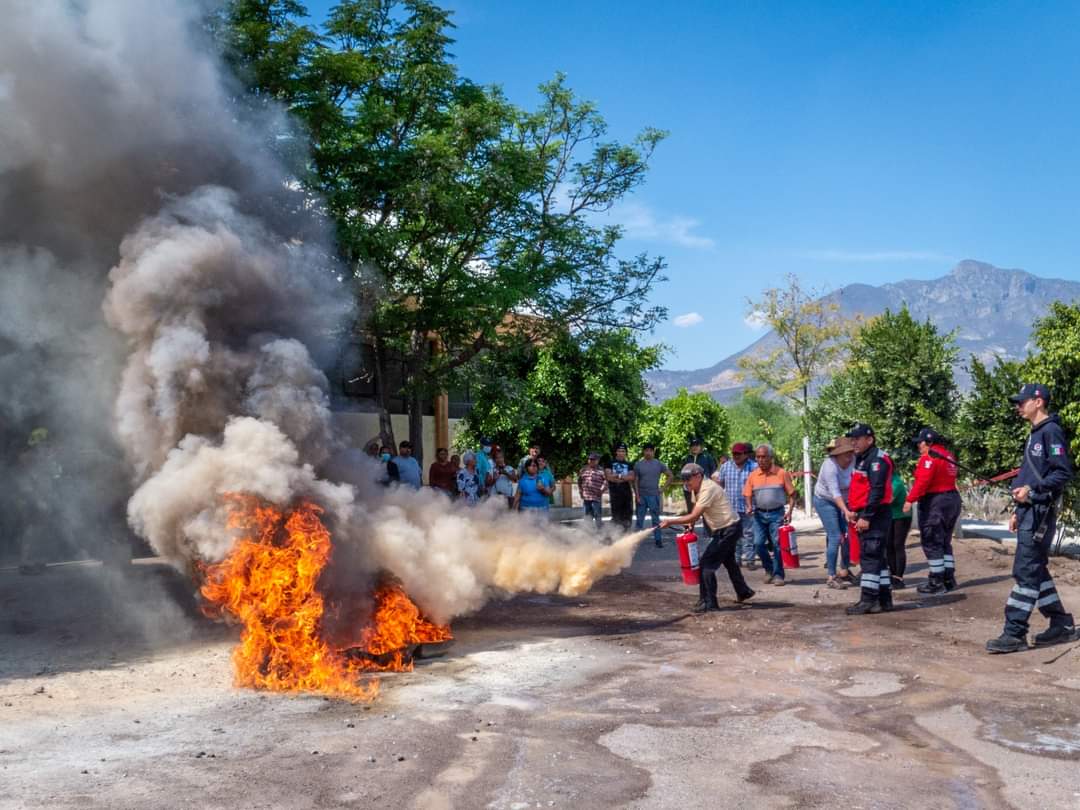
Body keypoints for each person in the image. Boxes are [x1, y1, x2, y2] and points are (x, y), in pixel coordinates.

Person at [986, 384, 1078, 653]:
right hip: (1029, 512)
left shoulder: (1050, 431)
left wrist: (1033, 492)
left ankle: (1014, 633)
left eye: (1022, 401)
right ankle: (1060, 624)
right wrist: (1018, 508)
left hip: (1040, 514)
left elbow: (1062, 474)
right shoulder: (1036, 433)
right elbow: (1030, 474)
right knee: (1036, 569)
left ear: (1038, 402)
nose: (1017, 406)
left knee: (1026, 572)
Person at [660, 463, 755, 612]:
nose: (686, 484)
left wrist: (670, 521)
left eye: (688, 480)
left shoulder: (708, 488)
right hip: (725, 528)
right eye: (684, 480)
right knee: (729, 562)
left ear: (698, 476)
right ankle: (743, 591)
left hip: (729, 529)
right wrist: (690, 524)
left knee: (706, 565)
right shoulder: (695, 488)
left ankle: (709, 602)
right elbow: (696, 510)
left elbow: (695, 515)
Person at [902, 427, 961, 594]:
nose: (918, 447)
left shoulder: (929, 457)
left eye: (920, 443)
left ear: (928, 443)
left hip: (935, 503)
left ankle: (936, 581)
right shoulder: (949, 455)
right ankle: (949, 579)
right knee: (944, 542)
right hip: (952, 499)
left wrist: (909, 500)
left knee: (932, 541)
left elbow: (922, 482)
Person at [844, 423, 895, 615]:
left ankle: (868, 600)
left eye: (857, 439)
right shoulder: (863, 458)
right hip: (869, 512)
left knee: (870, 557)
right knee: (878, 560)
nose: (853, 442)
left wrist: (866, 516)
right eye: (852, 439)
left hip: (875, 514)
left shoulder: (877, 460)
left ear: (870, 439)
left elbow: (877, 491)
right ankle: (883, 599)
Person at [743, 444, 796, 586]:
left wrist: (789, 512)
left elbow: (792, 494)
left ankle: (779, 574)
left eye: (764, 457)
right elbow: (747, 494)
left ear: (771, 458)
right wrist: (749, 506)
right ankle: (769, 569)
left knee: (778, 544)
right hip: (759, 515)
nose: (761, 460)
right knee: (758, 544)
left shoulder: (781, 473)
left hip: (777, 514)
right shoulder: (753, 475)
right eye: (758, 457)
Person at [814, 437, 856, 589]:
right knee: (836, 536)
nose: (849, 456)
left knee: (847, 535)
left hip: (845, 500)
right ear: (836, 455)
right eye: (845, 453)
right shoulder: (829, 467)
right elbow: (835, 492)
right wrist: (845, 510)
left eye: (851, 452)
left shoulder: (854, 461)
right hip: (825, 500)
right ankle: (831, 575)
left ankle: (844, 570)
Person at [716, 442, 757, 567]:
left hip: (748, 506)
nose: (736, 456)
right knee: (734, 535)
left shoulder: (754, 467)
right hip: (731, 507)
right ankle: (736, 559)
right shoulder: (725, 467)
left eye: (738, 454)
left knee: (749, 534)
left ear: (745, 454)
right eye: (734, 454)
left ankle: (750, 560)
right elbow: (720, 485)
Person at [634, 444, 672, 547]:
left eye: (650, 450)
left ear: (653, 452)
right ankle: (636, 541)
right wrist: (637, 496)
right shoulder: (638, 465)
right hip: (641, 496)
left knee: (655, 519)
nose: (648, 452)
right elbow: (635, 481)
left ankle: (658, 540)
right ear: (643, 452)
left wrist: (662, 489)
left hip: (654, 496)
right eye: (646, 450)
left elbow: (670, 475)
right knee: (639, 520)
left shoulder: (658, 464)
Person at [681, 437, 718, 526]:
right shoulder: (686, 458)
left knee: (706, 509)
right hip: (689, 488)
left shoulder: (707, 457)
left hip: (704, 488)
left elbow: (713, 472)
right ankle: (690, 530)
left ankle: (709, 532)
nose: (695, 447)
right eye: (692, 445)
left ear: (700, 446)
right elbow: (682, 472)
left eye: (697, 445)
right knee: (691, 510)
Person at [888, 465, 911, 589]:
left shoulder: (895, 481)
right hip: (890, 517)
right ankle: (893, 576)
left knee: (897, 545)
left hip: (901, 516)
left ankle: (899, 577)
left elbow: (888, 500)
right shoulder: (884, 480)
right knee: (889, 546)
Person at [605, 444, 635, 531]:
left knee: (627, 517)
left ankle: (625, 538)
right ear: (616, 452)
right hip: (615, 495)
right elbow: (609, 477)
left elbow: (631, 477)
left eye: (623, 451)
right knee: (616, 518)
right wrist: (623, 477)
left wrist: (617, 476)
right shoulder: (609, 463)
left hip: (627, 495)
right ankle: (613, 538)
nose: (621, 453)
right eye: (619, 451)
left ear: (626, 453)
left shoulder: (629, 464)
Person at [579, 452, 607, 530]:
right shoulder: (583, 469)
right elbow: (579, 481)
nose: (592, 461)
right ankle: (589, 533)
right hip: (586, 497)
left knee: (597, 516)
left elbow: (606, 482)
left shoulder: (601, 470)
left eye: (594, 460)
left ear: (598, 460)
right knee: (587, 516)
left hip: (596, 498)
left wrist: (601, 490)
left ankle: (601, 533)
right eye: (590, 459)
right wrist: (580, 491)